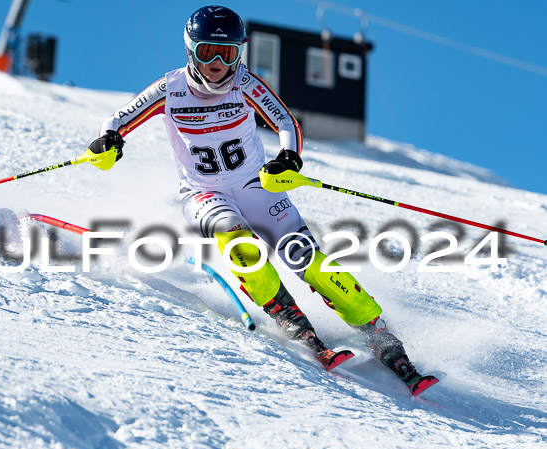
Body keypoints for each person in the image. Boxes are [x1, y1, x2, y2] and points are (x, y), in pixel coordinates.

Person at [86, 6, 429, 389]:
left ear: (240, 53)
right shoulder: (170, 89)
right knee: (239, 244)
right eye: (206, 53)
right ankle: (285, 313)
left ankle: (376, 330)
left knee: (309, 260)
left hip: (256, 186)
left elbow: (286, 122)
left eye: (227, 53)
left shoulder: (246, 83)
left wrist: (288, 158)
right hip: (204, 193)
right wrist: (109, 140)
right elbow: (118, 120)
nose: (217, 63)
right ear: (190, 51)